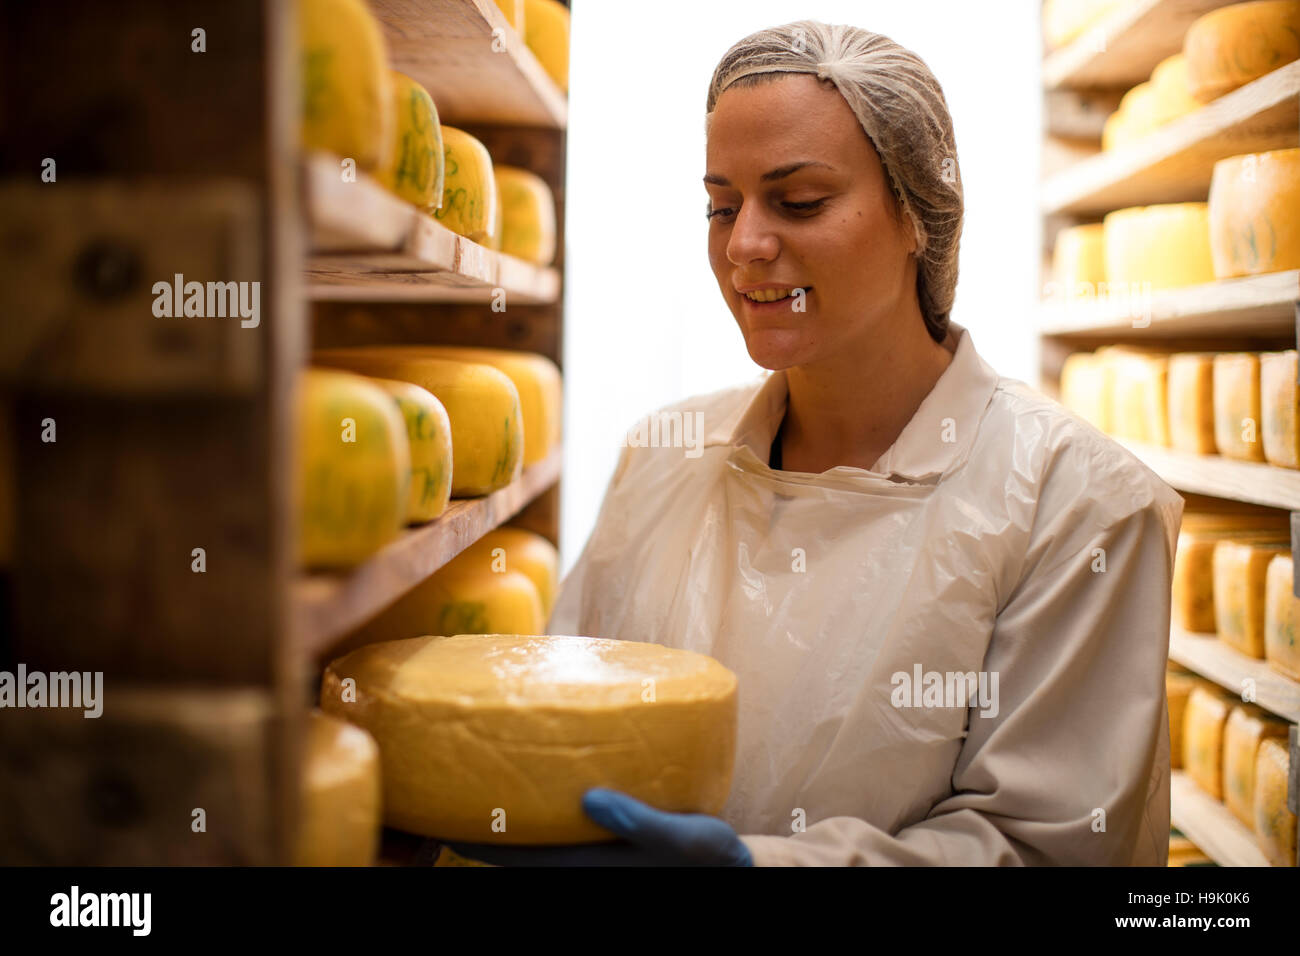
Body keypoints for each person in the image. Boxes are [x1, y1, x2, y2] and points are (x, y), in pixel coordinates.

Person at [547, 20, 1182, 866]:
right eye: (721, 205)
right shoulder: (662, 458)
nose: (744, 246)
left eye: (799, 201)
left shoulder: (1080, 507)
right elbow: (560, 715)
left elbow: (1045, 849)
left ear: (919, 214)